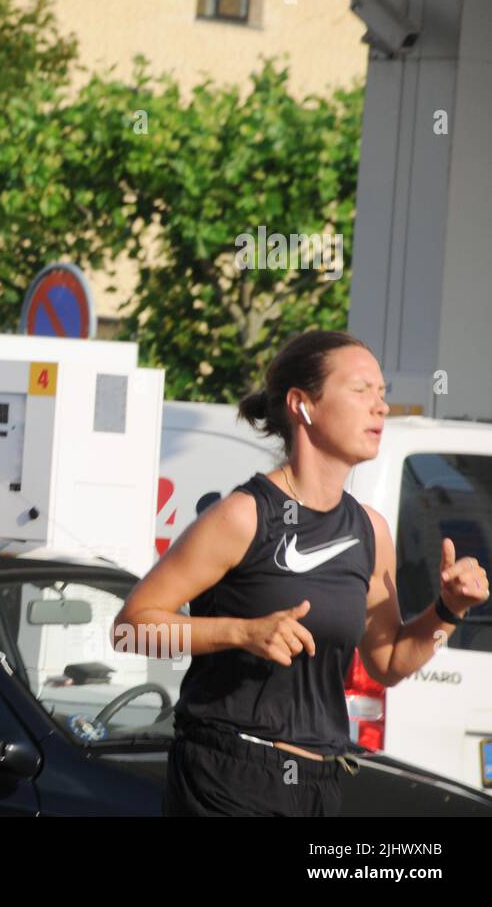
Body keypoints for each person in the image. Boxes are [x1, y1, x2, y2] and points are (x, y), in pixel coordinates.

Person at [114, 330, 489, 817]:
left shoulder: (370, 531)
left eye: (382, 394)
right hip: (227, 776)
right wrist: (240, 632)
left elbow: (389, 662)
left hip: (320, 781)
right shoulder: (244, 515)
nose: (380, 408)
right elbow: (129, 629)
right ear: (301, 405)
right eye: (360, 391)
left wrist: (448, 610)